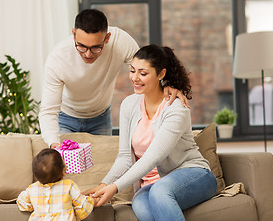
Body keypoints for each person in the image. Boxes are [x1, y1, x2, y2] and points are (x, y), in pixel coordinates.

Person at [83, 45, 217, 221]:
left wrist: (114, 188)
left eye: (143, 73)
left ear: (161, 74)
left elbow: (153, 156)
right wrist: (103, 185)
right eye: (132, 71)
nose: (135, 78)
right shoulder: (129, 105)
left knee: (160, 191)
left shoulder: (176, 108)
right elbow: (124, 157)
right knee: (140, 203)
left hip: (194, 175)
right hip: (152, 185)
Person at [39, 9, 189, 149]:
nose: (88, 54)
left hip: (100, 117)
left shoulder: (121, 42)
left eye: (96, 47)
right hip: (66, 118)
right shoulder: (57, 59)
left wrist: (166, 85)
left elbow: (147, 67)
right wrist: (54, 144)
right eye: (82, 46)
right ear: (74, 35)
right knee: (69, 169)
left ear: (107, 37)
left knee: (102, 165)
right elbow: (48, 110)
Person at [17, 148, 98, 221]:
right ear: (63, 171)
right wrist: (94, 200)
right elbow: (83, 205)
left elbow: (22, 202)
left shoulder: (32, 189)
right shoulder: (68, 185)